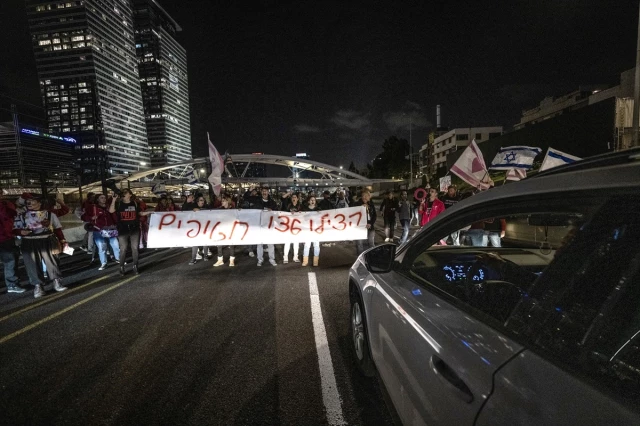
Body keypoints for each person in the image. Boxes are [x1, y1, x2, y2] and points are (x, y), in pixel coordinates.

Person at [13, 195, 68, 298]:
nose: (29, 203)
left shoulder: (50, 214)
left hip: (47, 240)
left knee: (52, 262)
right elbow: (15, 229)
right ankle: (38, 286)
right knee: (32, 265)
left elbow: (57, 229)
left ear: (39, 203)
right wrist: (21, 232)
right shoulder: (21, 216)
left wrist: (63, 241)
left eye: (32, 201)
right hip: (29, 242)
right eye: (28, 201)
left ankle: (57, 282)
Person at [109, 189, 151, 275]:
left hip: (134, 229)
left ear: (130, 195)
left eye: (125, 193)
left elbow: (140, 213)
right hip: (123, 230)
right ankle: (121, 267)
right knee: (123, 249)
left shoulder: (135, 204)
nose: (124, 194)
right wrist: (113, 200)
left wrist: (150, 212)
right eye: (123, 193)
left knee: (135, 248)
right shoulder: (119, 204)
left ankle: (135, 266)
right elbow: (111, 211)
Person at [86, 193, 120, 271]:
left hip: (111, 229)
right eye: (101, 198)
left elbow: (113, 214)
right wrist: (91, 218)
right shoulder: (93, 207)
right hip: (98, 230)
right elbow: (84, 216)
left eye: (104, 198)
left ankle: (118, 259)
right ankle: (104, 263)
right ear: (97, 199)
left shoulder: (109, 207)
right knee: (102, 247)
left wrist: (115, 224)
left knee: (116, 245)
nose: (104, 199)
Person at [1, 191, 24, 293]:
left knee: (11, 261)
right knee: (10, 261)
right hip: (6, 237)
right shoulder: (7, 204)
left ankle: (12, 284)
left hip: (6, 238)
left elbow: (13, 217)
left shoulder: (7, 204)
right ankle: (12, 284)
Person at [255, 187, 278, 266]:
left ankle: (272, 259)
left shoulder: (272, 202)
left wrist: (272, 211)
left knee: (270, 244)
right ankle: (260, 259)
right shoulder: (257, 201)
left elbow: (277, 212)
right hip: (260, 226)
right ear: (261, 193)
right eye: (263, 191)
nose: (264, 193)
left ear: (268, 192)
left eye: (266, 191)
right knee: (259, 244)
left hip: (269, 226)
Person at [213, 194, 236, 267]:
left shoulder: (233, 210)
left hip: (230, 229)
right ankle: (220, 260)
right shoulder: (220, 209)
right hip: (222, 229)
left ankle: (231, 260)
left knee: (231, 244)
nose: (221, 202)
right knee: (219, 244)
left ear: (227, 201)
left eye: (223, 201)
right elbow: (211, 211)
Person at [188, 196, 212, 265]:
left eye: (203, 200)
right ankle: (193, 259)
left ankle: (205, 256)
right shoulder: (193, 207)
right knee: (195, 243)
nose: (203, 201)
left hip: (205, 227)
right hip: (196, 229)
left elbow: (213, 211)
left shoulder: (207, 207)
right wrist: (193, 209)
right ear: (197, 201)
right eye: (201, 200)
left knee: (205, 242)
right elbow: (185, 210)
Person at [354, 190, 376, 255]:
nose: (364, 197)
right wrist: (360, 207)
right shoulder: (357, 204)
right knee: (359, 244)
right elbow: (352, 213)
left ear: (369, 197)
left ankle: (371, 257)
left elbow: (374, 215)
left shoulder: (371, 204)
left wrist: (371, 223)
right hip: (360, 228)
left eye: (366, 196)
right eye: (363, 196)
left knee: (371, 243)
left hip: (370, 227)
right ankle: (361, 259)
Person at [282, 192, 303, 264]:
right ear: (291, 199)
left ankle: (295, 257)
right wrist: (288, 193)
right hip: (288, 226)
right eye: (292, 197)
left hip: (297, 227)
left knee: (296, 243)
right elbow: (283, 198)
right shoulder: (288, 205)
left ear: (297, 199)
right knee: (287, 242)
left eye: (295, 197)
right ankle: (285, 257)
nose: (294, 198)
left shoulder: (301, 206)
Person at [302, 195, 321, 266]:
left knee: (316, 245)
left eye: (314, 200)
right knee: (307, 245)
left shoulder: (318, 209)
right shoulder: (305, 209)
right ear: (308, 201)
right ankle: (305, 261)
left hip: (316, 230)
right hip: (307, 229)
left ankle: (316, 261)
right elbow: (302, 218)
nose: (312, 201)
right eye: (311, 200)